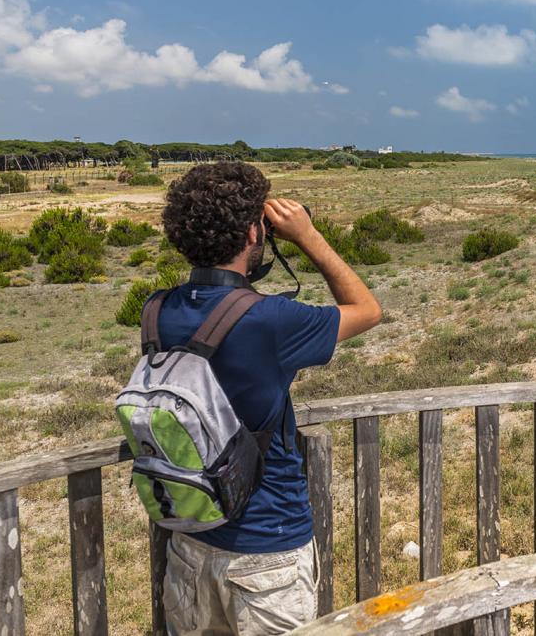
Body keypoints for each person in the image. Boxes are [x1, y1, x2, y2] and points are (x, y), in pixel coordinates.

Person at [156, 162, 381, 635]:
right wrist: (306, 235)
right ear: (252, 230)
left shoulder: (158, 310)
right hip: (266, 550)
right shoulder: (271, 319)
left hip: (189, 541)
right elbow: (367, 309)